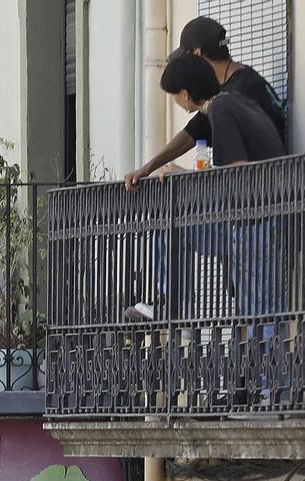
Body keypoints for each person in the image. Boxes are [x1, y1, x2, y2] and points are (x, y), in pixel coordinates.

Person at [123, 47, 288, 328]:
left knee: (263, 315)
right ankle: (177, 307)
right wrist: (149, 168)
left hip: (254, 223)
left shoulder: (222, 110)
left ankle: (179, 307)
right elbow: (191, 138)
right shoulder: (233, 102)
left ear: (185, 95)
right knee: (172, 227)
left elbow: (236, 174)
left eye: (174, 95)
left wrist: (185, 175)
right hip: (259, 219)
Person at [124, 15, 287, 192]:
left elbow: (238, 174)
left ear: (197, 55)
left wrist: (188, 178)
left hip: (266, 200)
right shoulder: (222, 99)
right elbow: (192, 132)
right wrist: (147, 168)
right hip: (269, 196)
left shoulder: (237, 94)